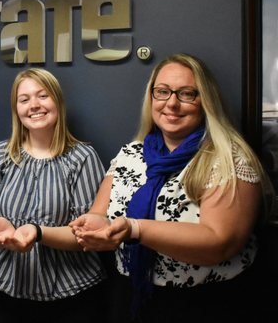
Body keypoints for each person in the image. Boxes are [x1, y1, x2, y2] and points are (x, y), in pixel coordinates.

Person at [70, 53, 275, 323]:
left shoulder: (229, 158)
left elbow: (219, 242)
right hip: (132, 295)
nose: (172, 104)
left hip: (206, 303)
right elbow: (100, 216)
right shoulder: (131, 154)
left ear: (206, 101)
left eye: (187, 94)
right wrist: (92, 226)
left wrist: (135, 229)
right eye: (163, 92)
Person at [0, 68, 106, 323]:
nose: (34, 105)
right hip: (2, 292)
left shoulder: (82, 158)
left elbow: (86, 235)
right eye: (24, 99)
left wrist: (37, 232)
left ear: (58, 102)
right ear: (16, 109)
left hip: (71, 296)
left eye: (43, 96)